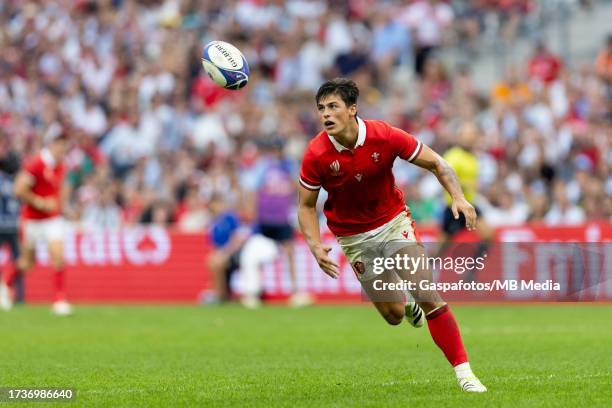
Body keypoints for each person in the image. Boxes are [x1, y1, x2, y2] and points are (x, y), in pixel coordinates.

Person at [298, 78, 487, 392]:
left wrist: (459, 197)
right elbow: (305, 206)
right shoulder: (316, 153)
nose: (326, 114)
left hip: (392, 222)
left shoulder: (384, 135)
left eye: (333, 107)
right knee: (394, 315)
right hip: (353, 236)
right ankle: (405, 303)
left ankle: (465, 373)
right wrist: (315, 244)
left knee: (427, 293)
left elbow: (438, 164)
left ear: (352, 109)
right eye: (321, 109)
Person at [7, 125, 72, 315]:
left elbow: (58, 189)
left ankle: (59, 299)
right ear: (51, 144)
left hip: (52, 219)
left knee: (58, 254)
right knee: (28, 263)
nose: (63, 147)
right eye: (59, 143)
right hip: (32, 220)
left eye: (64, 143)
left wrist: (61, 208)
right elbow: (18, 189)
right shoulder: (37, 163)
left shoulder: (60, 165)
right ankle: (6, 281)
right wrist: (39, 202)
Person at [0, 140, 23, 310]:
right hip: (13, 225)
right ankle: (19, 296)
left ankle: (9, 292)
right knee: (18, 261)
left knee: (20, 261)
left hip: (3, 224)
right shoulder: (17, 182)